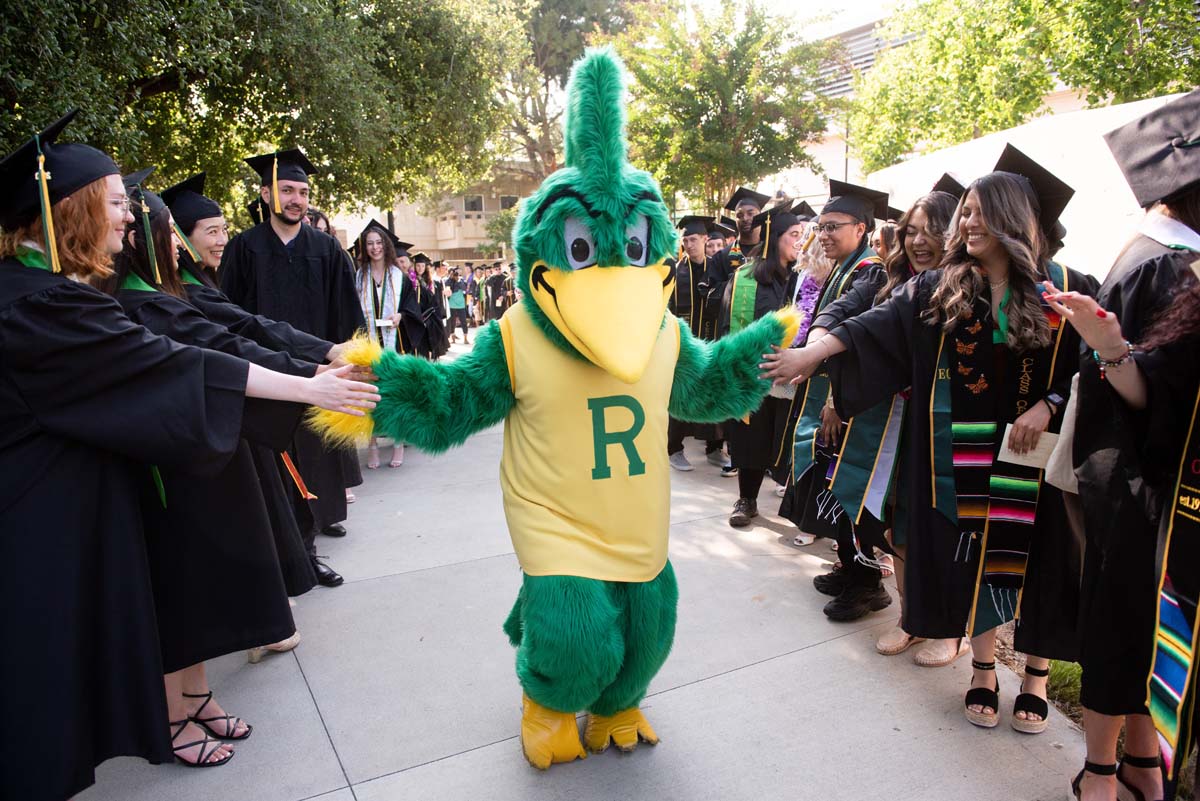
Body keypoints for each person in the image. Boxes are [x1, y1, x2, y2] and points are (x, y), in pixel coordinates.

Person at [0, 112, 376, 799]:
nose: (131, 221)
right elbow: (180, 362)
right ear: (70, 210)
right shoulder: (38, 306)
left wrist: (315, 365)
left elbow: (213, 340)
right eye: (117, 203)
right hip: (34, 526)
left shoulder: (46, 296)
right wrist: (310, 383)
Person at [763, 167, 1094, 735]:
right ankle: (985, 669)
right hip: (965, 453)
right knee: (979, 553)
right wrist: (809, 356)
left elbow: (1096, 362)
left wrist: (1050, 405)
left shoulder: (1064, 285)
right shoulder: (945, 286)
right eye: (963, 211)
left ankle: (1036, 678)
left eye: (977, 211)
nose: (966, 221)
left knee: (1040, 560)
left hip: (1035, 452)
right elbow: (874, 325)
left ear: (1012, 218)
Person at [103, 170, 337, 768]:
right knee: (178, 595)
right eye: (171, 234)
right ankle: (172, 716)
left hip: (193, 456)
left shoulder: (163, 291)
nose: (181, 245)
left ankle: (196, 697)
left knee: (198, 588)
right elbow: (226, 349)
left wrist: (312, 363)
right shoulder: (135, 302)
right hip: (164, 469)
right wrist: (308, 376)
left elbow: (238, 330)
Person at [1067, 88, 1200, 801]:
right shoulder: (1162, 262)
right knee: (1127, 626)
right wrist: (1116, 353)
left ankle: (1141, 764)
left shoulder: (1164, 254)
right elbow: (1151, 385)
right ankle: (1099, 769)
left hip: (1152, 477)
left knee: (1146, 634)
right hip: (1147, 482)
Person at [220, 148, 367, 583]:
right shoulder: (243, 249)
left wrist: (356, 365)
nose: (296, 199)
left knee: (313, 463)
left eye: (302, 191)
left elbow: (349, 318)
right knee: (272, 465)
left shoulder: (326, 250)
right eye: (286, 190)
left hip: (321, 376)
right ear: (266, 194)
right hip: (266, 375)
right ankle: (278, 557)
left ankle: (306, 552)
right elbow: (229, 315)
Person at [785, 180, 894, 622]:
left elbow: (852, 324)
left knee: (849, 488)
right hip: (835, 395)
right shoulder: (846, 265)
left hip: (848, 402)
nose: (823, 235)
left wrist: (832, 394)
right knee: (832, 485)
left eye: (833, 226)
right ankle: (849, 568)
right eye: (820, 227)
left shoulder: (871, 270)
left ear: (862, 227)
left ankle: (868, 585)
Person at [721, 201, 804, 526]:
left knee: (788, 437)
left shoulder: (804, 277)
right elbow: (728, 327)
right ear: (775, 236)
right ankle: (747, 499)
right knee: (751, 436)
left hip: (793, 373)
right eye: (794, 235)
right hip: (755, 372)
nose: (800, 241)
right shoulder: (744, 277)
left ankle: (800, 509)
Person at [354, 220, 421, 468]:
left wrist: (401, 316)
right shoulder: (360, 275)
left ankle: (397, 442)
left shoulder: (398, 276)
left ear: (386, 245)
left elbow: (411, 308)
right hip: (368, 344)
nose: (375, 248)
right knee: (370, 396)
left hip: (395, 344)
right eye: (370, 243)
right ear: (365, 247)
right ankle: (372, 445)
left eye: (379, 242)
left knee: (394, 395)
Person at [667, 216, 727, 472]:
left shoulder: (718, 269)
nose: (689, 245)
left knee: (715, 395)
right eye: (685, 240)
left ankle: (714, 449)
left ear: (705, 239)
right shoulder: (675, 271)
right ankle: (675, 449)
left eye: (694, 239)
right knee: (683, 395)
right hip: (685, 347)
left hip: (713, 343)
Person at [413, 252, 449, 359]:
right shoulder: (412, 280)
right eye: (418, 266)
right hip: (418, 315)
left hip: (427, 316)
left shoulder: (428, 281)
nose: (420, 268)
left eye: (423, 266)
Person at [447, 266, 471, 344]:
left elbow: (464, 288)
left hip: (461, 304)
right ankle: (452, 337)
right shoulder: (448, 281)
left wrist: (458, 280)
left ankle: (465, 338)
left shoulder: (461, 280)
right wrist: (451, 279)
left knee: (463, 321)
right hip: (452, 304)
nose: (455, 275)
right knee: (452, 322)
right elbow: (448, 288)